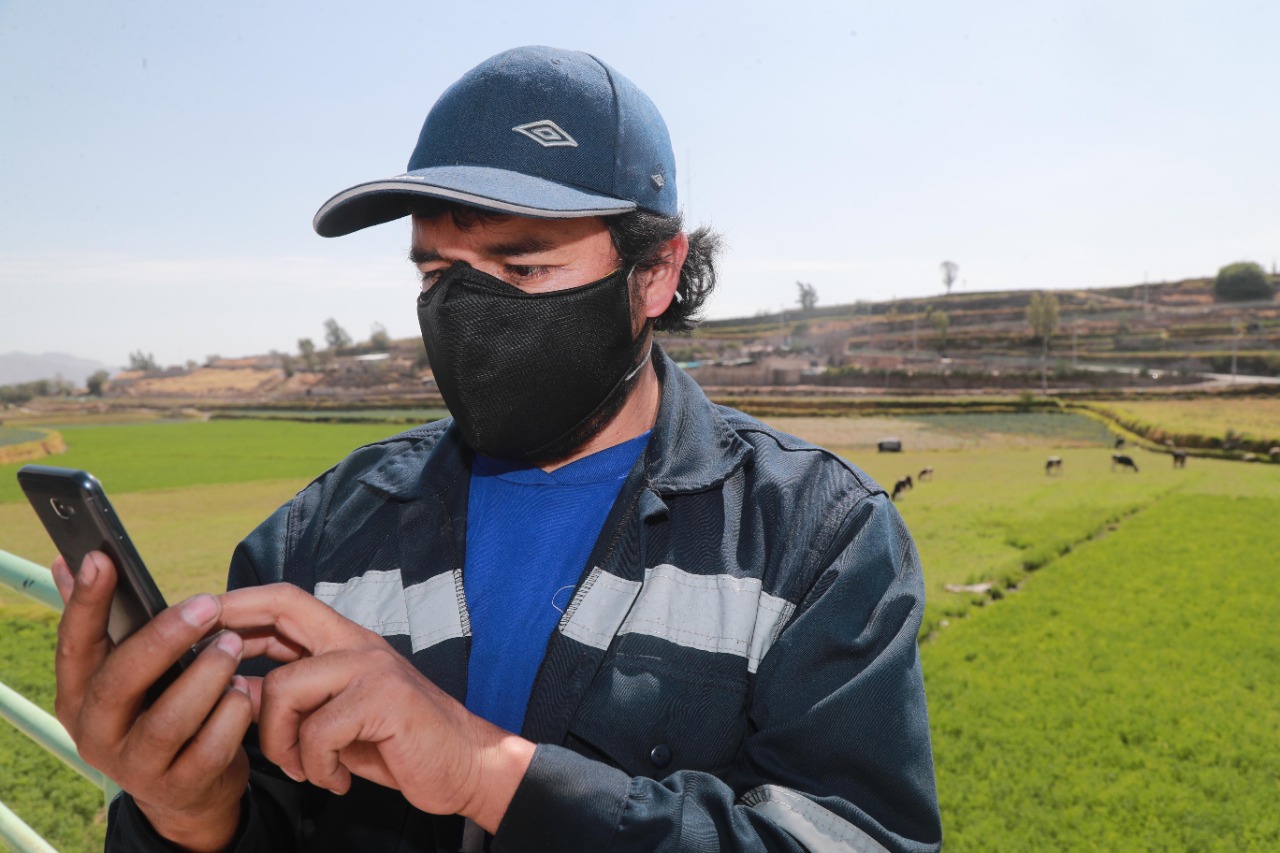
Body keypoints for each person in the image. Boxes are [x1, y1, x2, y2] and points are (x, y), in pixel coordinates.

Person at [51, 46, 942, 852]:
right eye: (437, 275)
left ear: (658, 274)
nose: (467, 318)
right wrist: (192, 816)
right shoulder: (317, 537)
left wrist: (487, 771)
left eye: (523, 270)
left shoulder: (813, 540)